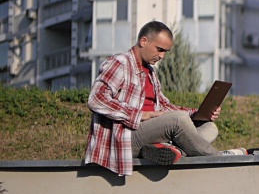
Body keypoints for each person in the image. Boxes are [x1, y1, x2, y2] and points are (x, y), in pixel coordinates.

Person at [84, 21, 246, 176]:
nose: (162, 56)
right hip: (125, 136)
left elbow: (164, 106)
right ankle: (221, 158)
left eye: (165, 52)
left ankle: (169, 151)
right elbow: (96, 98)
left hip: (149, 134)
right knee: (178, 120)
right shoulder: (120, 63)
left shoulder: (150, 72)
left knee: (209, 127)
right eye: (159, 49)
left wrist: (198, 113)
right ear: (143, 41)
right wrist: (140, 115)